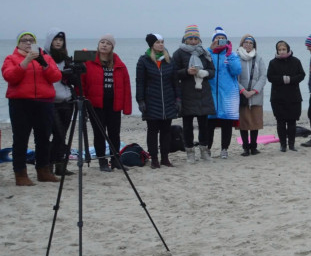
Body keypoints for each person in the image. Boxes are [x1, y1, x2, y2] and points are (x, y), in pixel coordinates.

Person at [2, 32, 62, 185]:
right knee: (21, 138)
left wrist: (43, 63)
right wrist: (26, 61)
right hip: (20, 103)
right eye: (24, 41)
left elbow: (56, 77)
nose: (28, 43)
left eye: (31, 40)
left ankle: (43, 170)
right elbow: (10, 77)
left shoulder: (45, 58)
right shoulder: (11, 58)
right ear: (18, 43)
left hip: (44, 102)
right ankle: (20, 174)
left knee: (43, 138)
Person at [81, 34, 132, 172]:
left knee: (114, 134)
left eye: (108, 43)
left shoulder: (119, 64)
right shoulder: (88, 61)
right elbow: (82, 83)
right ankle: (102, 161)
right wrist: (83, 102)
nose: (104, 45)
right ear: (98, 45)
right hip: (96, 105)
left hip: (114, 104)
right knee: (99, 133)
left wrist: (127, 107)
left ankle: (115, 160)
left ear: (112, 47)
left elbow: (126, 86)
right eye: (102, 42)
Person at [172, 24, 215, 163]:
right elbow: (173, 73)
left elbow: (213, 72)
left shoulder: (205, 53)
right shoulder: (178, 53)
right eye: (190, 38)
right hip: (186, 92)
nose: (193, 41)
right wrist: (186, 72)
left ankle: (204, 151)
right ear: (185, 39)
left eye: (195, 38)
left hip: (203, 92)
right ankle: (190, 152)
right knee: (188, 125)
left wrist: (205, 73)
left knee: (204, 125)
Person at [136, 33, 180, 168]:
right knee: (152, 131)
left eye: (162, 42)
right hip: (151, 101)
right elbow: (140, 82)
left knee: (166, 131)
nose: (161, 44)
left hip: (168, 101)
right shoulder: (144, 60)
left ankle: (165, 158)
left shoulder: (169, 60)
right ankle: (154, 159)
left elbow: (175, 82)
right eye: (157, 42)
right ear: (151, 45)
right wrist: (140, 100)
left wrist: (178, 99)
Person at [206, 27, 242, 159]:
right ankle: (207, 149)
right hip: (211, 94)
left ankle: (224, 149)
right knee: (209, 124)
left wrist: (229, 55)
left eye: (222, 39)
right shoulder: (207, 53)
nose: (220, 41)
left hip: (227, 95)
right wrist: (210, 50)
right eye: (217, 38)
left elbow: (237, 71)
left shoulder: (231, 55)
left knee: (226, 123)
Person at [44, 28, 75, 176]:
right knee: (57, 133)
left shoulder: (67, 59)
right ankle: (48, 163)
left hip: (67, 100)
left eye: (61, 40)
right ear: (50, 41)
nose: (58, 42)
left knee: (63, 134)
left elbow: (74, 81)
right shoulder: (44, 58)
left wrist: (74, 72)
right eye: (56, 39)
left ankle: (60, 165)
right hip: (50, 101)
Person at [266, 40, 306, 152]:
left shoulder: (296, 61)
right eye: (280, 50)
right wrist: (282, 79)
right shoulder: (273, 63)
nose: (282, 51)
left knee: (292, 122)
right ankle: (283, 145)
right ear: (277, 50)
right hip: (278, 98)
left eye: (284, 49)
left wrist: (291, 79)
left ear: (288, 49)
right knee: (280, 122)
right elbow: (270, 77)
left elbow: (302, 75)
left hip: (294, 97)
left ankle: (292, 145)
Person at [236, 34, 267, 156]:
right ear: (242, 44)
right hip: (242, 95)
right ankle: (245, 148)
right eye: (246, 42)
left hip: (256, 96)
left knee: (255, 122)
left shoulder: (258, 58)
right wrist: (243, 91)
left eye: (250, 43)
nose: (248, 45)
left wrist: (254, 91)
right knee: (243, 123)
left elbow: (263, 77)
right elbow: (234, 78)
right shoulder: (236, 58)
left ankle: (254, 147)